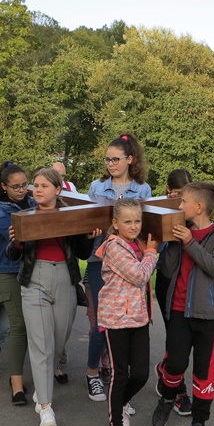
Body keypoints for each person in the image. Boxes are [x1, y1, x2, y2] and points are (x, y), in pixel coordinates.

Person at [8, 166, 97, 426]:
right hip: (34, 279)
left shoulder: (71, 215)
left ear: (58, 189)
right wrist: (17, 241)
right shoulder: (25, 216)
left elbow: (82, 253)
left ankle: (43, 384)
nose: (38, 190)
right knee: (41, 344)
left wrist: (89, 236)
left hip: (64, 279)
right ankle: (46, 407)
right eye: (35, 185)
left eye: (44, 186)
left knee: (58, 342)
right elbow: (11, 254)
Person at [151, 182, 214, 426]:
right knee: (175, 363)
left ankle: (199, 424)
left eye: (184, 201)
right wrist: (169, 243)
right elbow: (167, 270)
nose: (179, 205)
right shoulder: (179, 230)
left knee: (204, 371)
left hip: (208, 314)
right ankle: (167, 398)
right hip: (178, 310)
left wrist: (189, 242)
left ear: (199, 207)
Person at [84, 134, 152, 402]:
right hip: (99, 260)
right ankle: (92, 373)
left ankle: (116, 376)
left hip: (129, 263)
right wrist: (90, 232)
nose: (110, 164)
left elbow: (143, 227)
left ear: (130, 159)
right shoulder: (97, 187)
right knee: (101, 323)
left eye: (115, 159)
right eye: (107, 159)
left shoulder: (142, 190)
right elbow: (84, 222)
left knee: (125, 325)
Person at [97, 198, 159, 426]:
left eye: (138, 221)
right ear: (115, 223)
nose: (134, 226)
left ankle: (120, 403)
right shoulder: (114, 246)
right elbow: (139, 275)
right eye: (128, 221)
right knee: (120, 374)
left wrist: (147, 249)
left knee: (141, 373)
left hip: (139, 318)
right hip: (116, 319)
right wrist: (152, 252)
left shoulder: (138, 244)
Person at [0, 162, 34, 395]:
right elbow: (14, 235)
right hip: (9, 270)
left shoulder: (33, 202)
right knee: (18, 325)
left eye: (24, 185)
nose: (21, 190)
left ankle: (50, 369)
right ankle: (16, 381)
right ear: (4, 186)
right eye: (16, 186)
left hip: (34, 268)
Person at [153, 168, 195, 417]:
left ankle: (165, 370)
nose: (180, 200)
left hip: (191, 284)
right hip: (168, 280)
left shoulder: (195, 212)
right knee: (175, 335)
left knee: (186, 336)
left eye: (185, 195)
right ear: (168, 191)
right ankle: (178, 390)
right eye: (177, 193)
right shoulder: (158, 210)